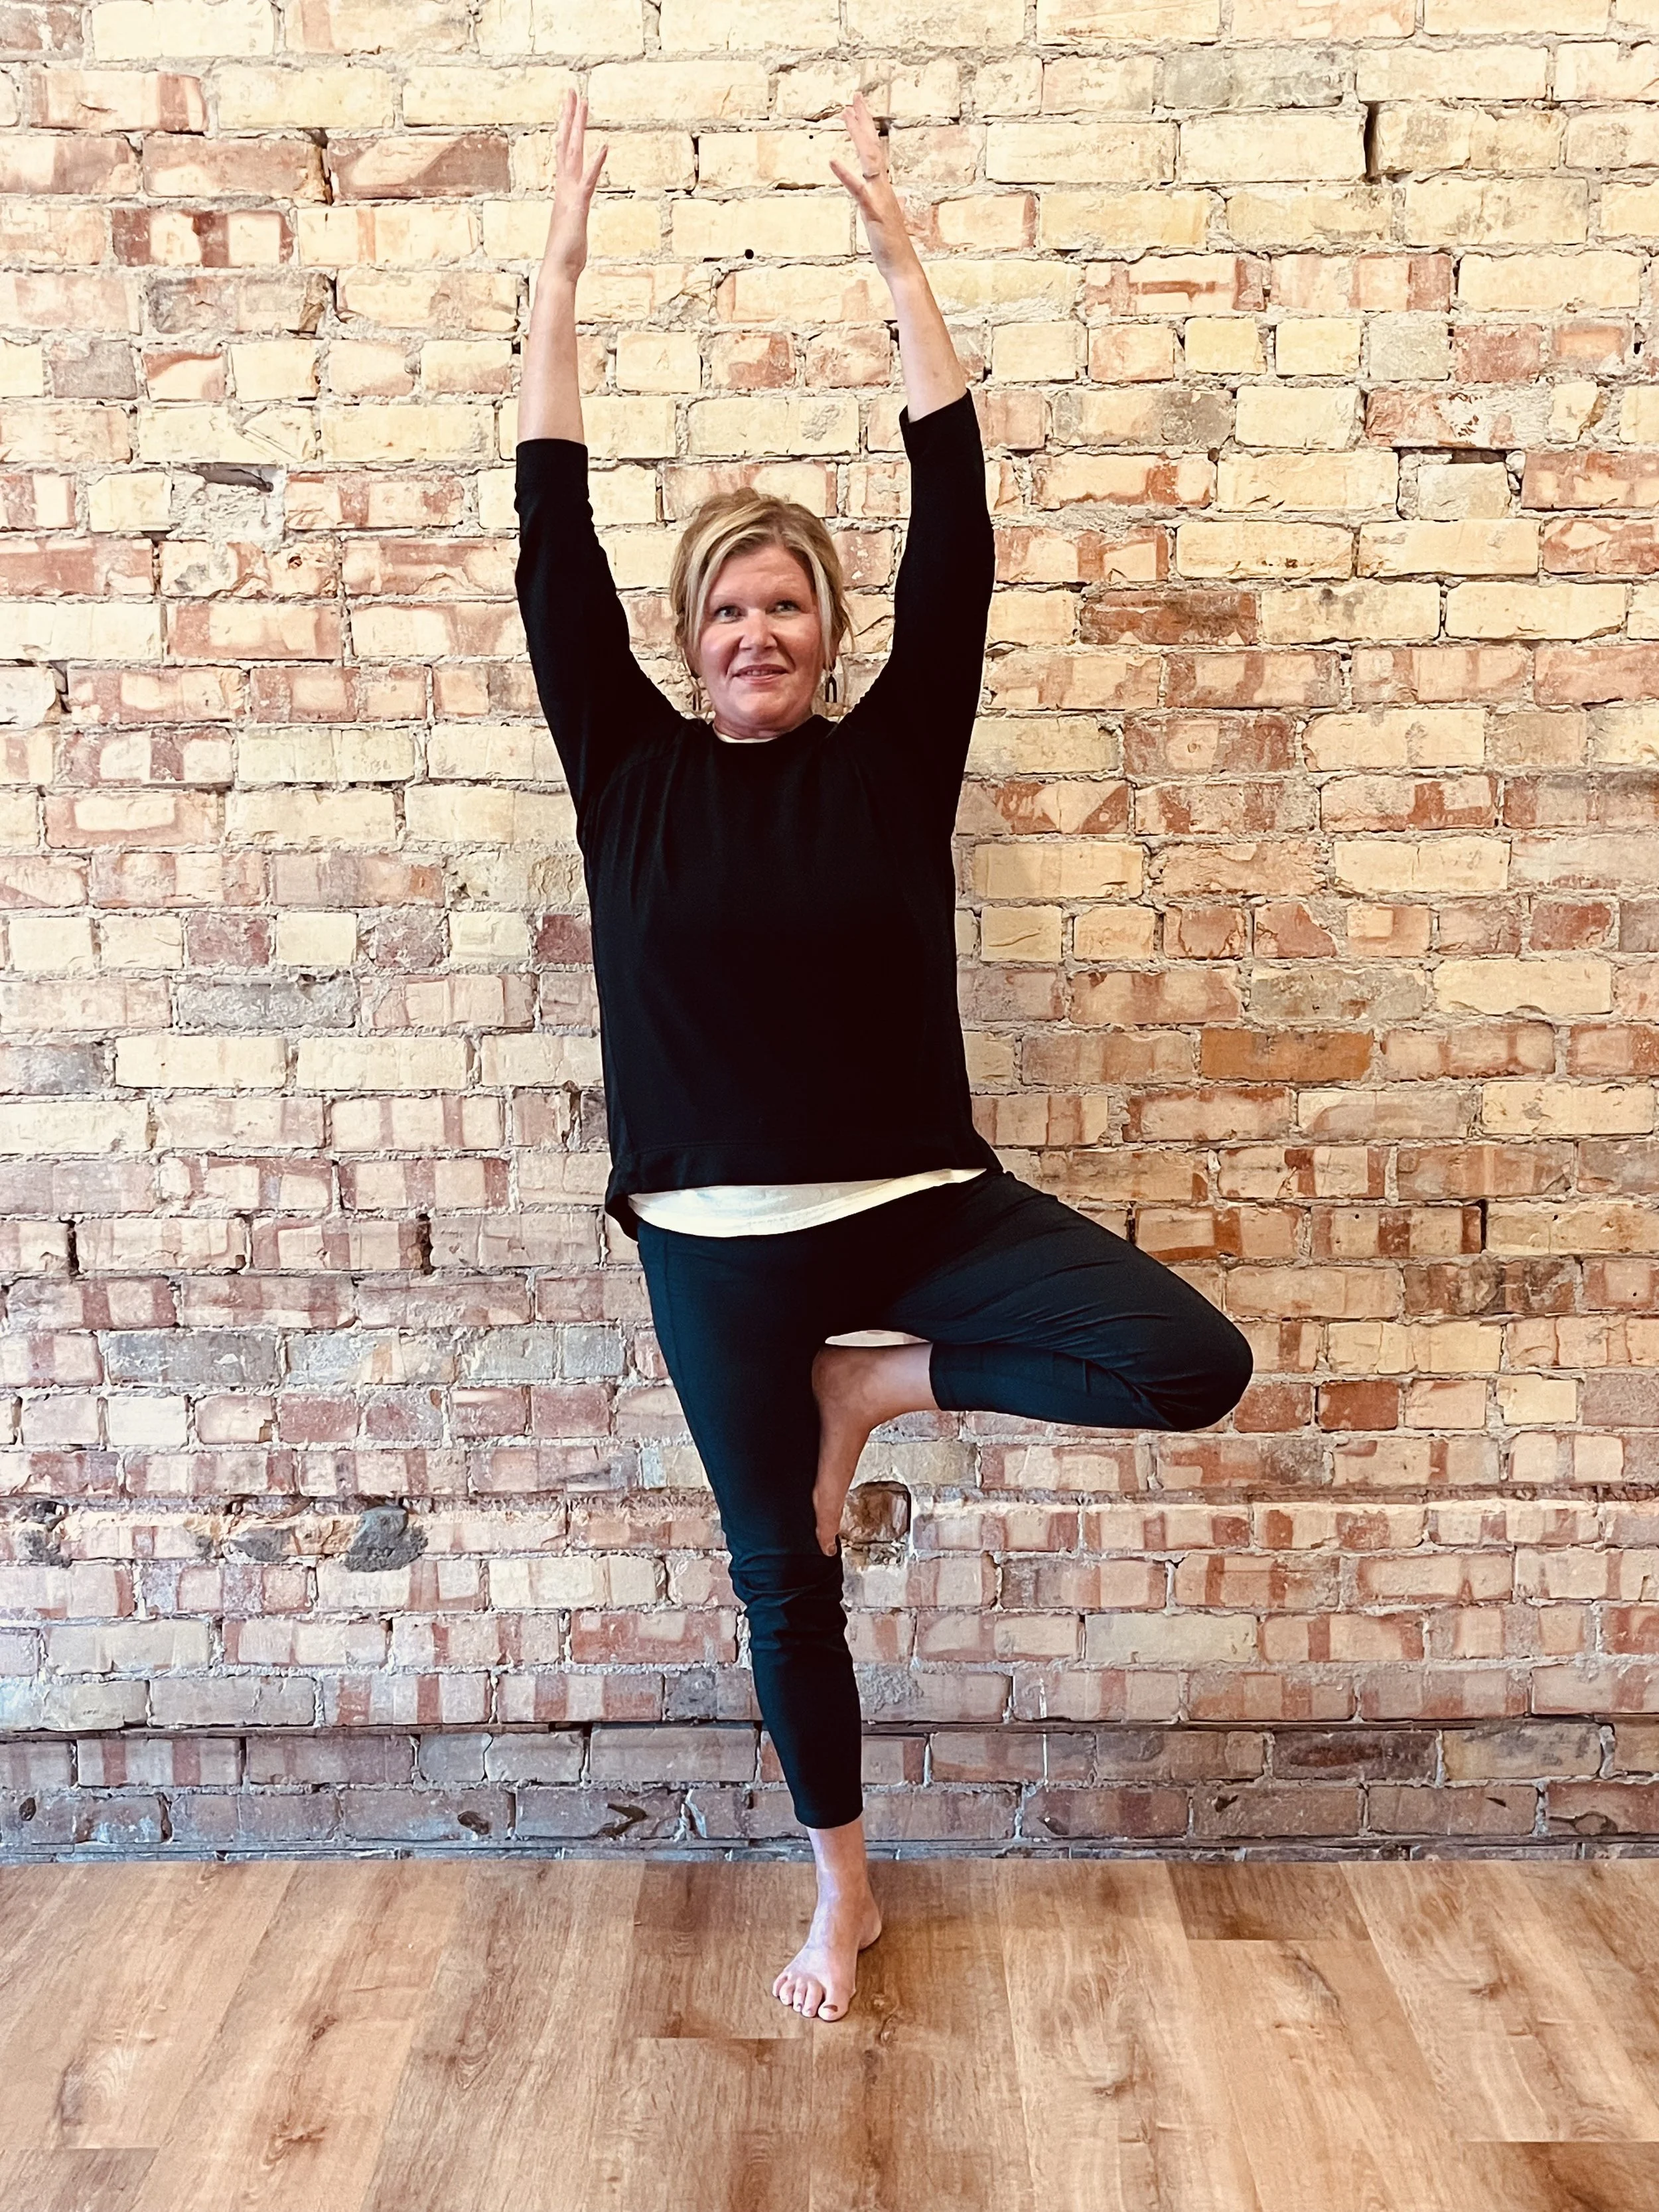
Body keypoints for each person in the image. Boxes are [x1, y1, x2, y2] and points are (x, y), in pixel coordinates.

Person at [515, 88, 1254, 2024]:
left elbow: (957, 520)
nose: (755, 629)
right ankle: (841, 1892)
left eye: (786, 605)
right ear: (683, 638)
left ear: (830, 633)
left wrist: (894, 252)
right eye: (725, 607)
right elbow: (546, 527)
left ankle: (879, 1389)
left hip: (925, 1209)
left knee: (1190, 1363)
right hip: (714, 1242)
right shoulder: (630, 771)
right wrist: (563, 272)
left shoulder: (891, 756)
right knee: (785, 1583)